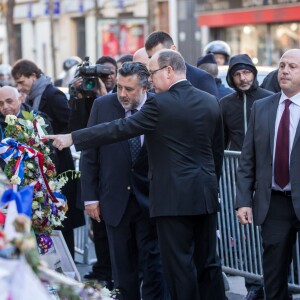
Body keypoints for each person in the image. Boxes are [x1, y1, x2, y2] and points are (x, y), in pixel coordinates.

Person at [45, 49, 227, 300]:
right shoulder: (209, 100)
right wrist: (209, 184)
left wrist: (72, 137)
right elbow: (216, 151)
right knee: (209, 263)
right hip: (205, 195)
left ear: (169, 71)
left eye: (152, 73)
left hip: (171, 200)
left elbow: (120, 128)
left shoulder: (159, 103)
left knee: (178, 267)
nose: (150, 80)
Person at [81, 61, 168, 299]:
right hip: (115, 200)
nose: (122, 94)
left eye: (129, 89)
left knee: (154, 268)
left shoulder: (160, 106)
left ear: (145, 86)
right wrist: (90, 198)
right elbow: (89, 154)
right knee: (122, 270)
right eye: (119, 87)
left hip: (151, 201)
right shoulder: (102, 106)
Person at [235, 48, 300, 300]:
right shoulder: (262, 107)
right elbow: (247, 158)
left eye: (292, 67)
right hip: (274, 202)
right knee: (274, 275)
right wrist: (243, 200)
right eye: (282, 65)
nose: (284, 70)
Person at [11, 59, 85, 259]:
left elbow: (69, 123)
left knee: (62, 217)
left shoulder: (52, 95)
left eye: (21, 81)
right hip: (43, 167)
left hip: (58, 164)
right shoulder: (33, 97)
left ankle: (67, 263)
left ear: (33, 76)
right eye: (16, 84)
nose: (19, 86)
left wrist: (51, 138)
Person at [220, 54, 273, 151]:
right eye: (237, 74)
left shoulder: (270, 98)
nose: (242, 78)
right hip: (235, 161)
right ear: (231, 78)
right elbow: (222, 139)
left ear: (254, 73)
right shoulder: (225, 103)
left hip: (263, 162)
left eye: (246, 72)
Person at [145, 31, 219, 97]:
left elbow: (212, 109)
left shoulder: (202, 78)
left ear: (173, 49)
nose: (155, 59)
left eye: (160, 54)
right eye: (151, 57)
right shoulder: (153, 81)